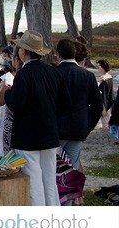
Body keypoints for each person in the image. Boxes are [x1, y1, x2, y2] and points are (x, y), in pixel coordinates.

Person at [6, 30, 69, 206]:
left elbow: (16, 104)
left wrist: (9, 93)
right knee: (49, 179)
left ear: (24, 52)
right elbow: (65, 103)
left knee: (33, 180)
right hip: (49, 132)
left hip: (28, 136)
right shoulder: (53, 72)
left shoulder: (24, 74)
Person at [55, 39, 102, 170]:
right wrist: (87, 125)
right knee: (72, 168)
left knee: (54, 168)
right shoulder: (88, 75)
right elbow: (97, 106)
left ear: (58, 54)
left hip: (57, 128)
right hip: (78, 127)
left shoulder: (54, 73)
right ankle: (71, 189)